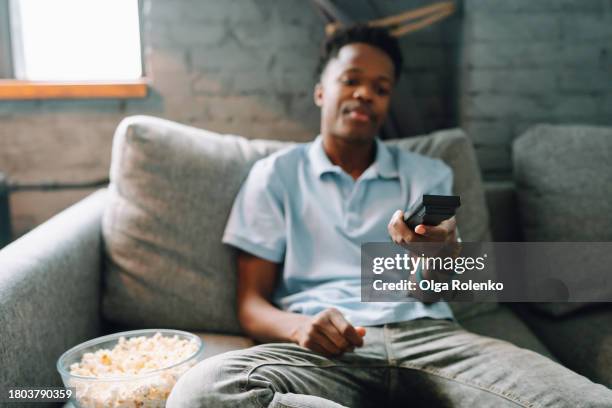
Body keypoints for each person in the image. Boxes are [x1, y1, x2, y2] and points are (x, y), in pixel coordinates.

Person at [167, 25, 612, 408]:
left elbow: (434, 289)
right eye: (351, 80)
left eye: (381, 88)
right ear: (322, 91)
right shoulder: (275, 175)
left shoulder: (428, 172)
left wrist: (444, 252)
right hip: (326, 348)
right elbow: (250, 304)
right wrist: (301, 327)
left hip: (432, 338)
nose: (366, 94)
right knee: (204, 390)